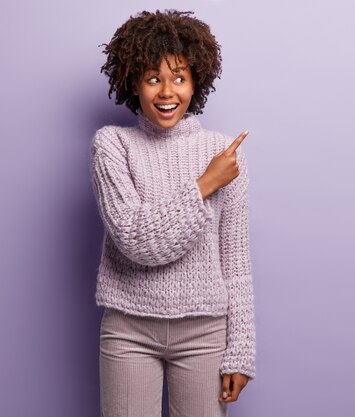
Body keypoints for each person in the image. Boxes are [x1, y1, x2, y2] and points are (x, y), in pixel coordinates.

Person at [90, 9, 256, 417]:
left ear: (196, 80)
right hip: (128, 328)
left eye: (179, 77)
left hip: (206, 331)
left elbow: (235, 260)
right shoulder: (112, 145)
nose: (167, 92)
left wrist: (241, 350)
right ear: (133, 83)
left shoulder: (224, 154)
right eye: (153, 78)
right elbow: (134, 239)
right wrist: (204, 185)